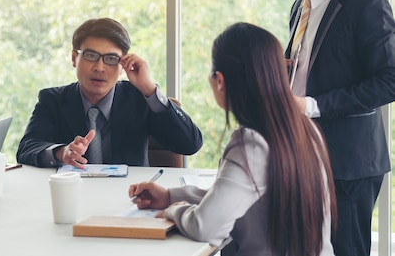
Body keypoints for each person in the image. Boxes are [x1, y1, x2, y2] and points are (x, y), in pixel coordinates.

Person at [129, 22, 336, 256]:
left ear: (220, 80)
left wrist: (175, 209)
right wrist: (170, 196)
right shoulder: (306, 129)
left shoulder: (252, 142)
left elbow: (205, 227)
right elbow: (236, 195)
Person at [275, 0, 395, 256]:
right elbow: (306, 68)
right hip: (301, 156)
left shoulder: (367, 6)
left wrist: (311, 105)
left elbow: (389, 79)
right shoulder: (301, 5)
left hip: (348, 164)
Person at [16, 17, 202, 168]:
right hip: (73, 196)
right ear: (74, 58)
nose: (99, 67)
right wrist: (61, 152)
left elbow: (190, 144)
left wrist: (149, 89)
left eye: (111, 59)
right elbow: (26, 149)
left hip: (130, 198)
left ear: (123, 65)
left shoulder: (140, 99)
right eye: (90, 56)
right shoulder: (53, 100)